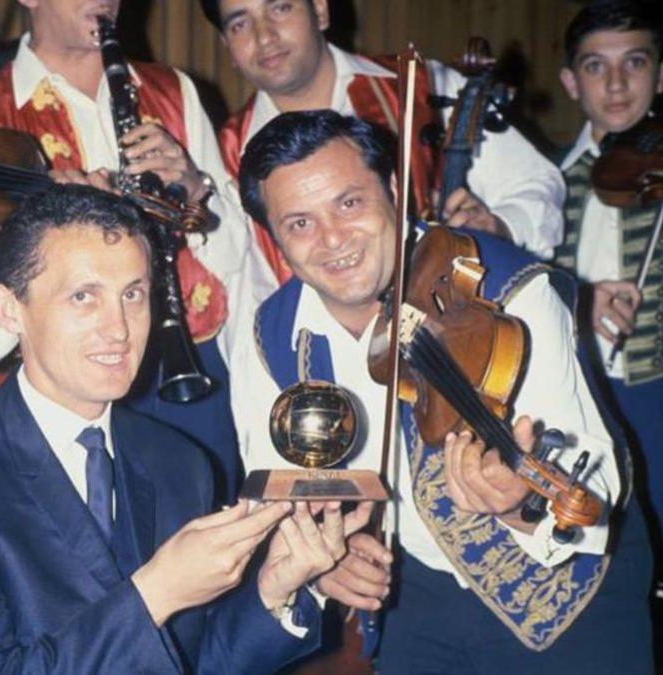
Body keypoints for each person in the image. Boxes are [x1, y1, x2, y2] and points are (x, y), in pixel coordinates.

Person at [0, 184, 370, 673]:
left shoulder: (178, 461)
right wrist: (156, 592)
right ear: (10, 309)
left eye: (133, 294)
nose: (119, 328)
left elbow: (198, 663)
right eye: (83, 297)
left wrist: (274, 588)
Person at [230, 109, 654, 672]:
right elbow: (277, 484)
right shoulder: (270, 332)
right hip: (419, 599)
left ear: (394, 191)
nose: (333, 240)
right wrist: (324, 559)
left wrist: (520, 505)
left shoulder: (503, 290)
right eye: (300, 223)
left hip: (569, 594)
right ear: (274, 236)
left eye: (350, 203)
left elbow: (592, 476)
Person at [0, 0, 269, 505]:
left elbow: (236, 260)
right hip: (74, 391)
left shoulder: (174, 92)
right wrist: (33, 239)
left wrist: (197, 191)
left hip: (193, 377)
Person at [200, 0, 566, 281]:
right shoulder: (225, 153)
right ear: (226, 47)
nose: (264, 36)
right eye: (240, 23)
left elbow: (537, 185)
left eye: (280, 7)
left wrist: (500, 227)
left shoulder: (422, 87)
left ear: (321, 11)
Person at [553, 0, 663, 593]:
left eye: (635, 62)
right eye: (596, 66)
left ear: (660, 74)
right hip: (580, 402)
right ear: (572, 81)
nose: (617, 84)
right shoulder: (539, 184)